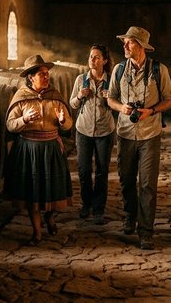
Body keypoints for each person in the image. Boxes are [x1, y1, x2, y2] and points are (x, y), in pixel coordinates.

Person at [107, 26, 171, 250]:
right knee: (127, 180)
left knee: (147, 184)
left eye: (130, 42)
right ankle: (129, 216)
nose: (125, 46)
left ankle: (146, 231)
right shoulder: (118, 70)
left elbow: (170, 99)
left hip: (150, 134)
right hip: (125, 133)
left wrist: (152, 111)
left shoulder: (159, 70)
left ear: (141, 46)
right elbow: (110, 98)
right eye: (124, 42)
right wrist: (121, 108)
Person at [5, 54, 74, 246]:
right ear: (30, 77)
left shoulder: (55, 96)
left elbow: (68, 125)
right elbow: (10, 126)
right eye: (41, 74)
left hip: (51, 148)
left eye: (47, 73)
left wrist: (63, 121)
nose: (46, 77)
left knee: (55, 190)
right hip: (29, 150)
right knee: (32, 194)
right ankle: (36, 232)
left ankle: (50, 216)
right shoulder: (21, 98)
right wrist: (24, 119)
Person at [68, 44, 115, 225]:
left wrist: (109, 99)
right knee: (84, 170)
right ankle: (86, 203)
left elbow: (119, 106)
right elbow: (72, 104)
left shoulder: (111, 80)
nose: (92, 60)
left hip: (105, 131)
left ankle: (98, 210)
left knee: (102, 172)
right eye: (90, 57)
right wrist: (80, 96)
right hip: (84, 130)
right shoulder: (81, 79)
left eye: (96, 57)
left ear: (104, 60)